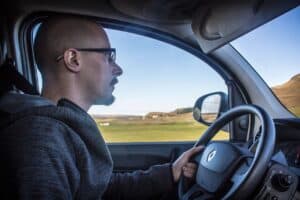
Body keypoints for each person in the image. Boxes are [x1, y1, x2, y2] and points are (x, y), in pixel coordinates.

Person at [0, 15, 203, 199]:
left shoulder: (59, 130)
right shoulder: (41, 138)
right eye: (109, 56)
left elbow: (99, 188)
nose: (119, 69)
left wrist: (169, 173)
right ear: (73, 59)